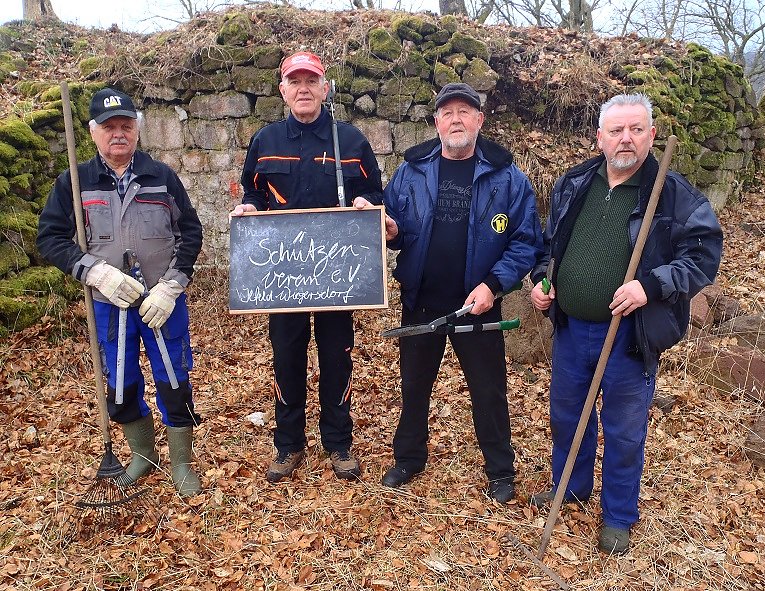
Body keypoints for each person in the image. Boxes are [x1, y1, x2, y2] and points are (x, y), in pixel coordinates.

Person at [529, 93, 723, 553]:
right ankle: (570, 488)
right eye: (616, 130)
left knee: (623, 428)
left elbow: (702, 256)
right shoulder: (574, 183)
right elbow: (549, 245)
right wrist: (541, 280)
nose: (626, 138)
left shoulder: (671, 194)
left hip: (629, 335)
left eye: (636, 129)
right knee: (567, 417)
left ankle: (618, 516)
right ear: (600, 137)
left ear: (651, 135)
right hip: (571, 329)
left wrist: (649, 286)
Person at [381, 82, 544, 503]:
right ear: (436, 123)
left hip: (478, 305)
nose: (456, 119)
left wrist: (493, 285)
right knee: (414, 385)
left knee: (488, 390)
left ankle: (500, 470)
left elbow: (526, 241)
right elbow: (392, 226)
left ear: (479, 120)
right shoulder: (411, 172)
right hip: (421, 300)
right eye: (448, 113)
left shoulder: (507, 178)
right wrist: (391, 231)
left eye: (465, 112)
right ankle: (409, 458)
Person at [37, 88, 204, 496]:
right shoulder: (75, 182)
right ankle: (143, 456)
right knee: (121, 382)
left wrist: (173, 284)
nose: (118, 134)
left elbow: (190, 233)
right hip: (109, 305)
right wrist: (95, 272)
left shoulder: (161, 177)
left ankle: (182, 462)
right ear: (93, 132)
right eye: (109, 127)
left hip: (162, 302)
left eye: (126, 126)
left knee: (174, 378)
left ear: (137, 130)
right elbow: (51, 238)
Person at [232, 51, 383, 482]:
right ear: (282, 90)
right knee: (286, 358)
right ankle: (288, 444)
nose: (303, 89)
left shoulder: (350, 141)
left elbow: (375, 192)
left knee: (337, 358)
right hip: (282, 276)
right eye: (294, 81)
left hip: (336, 274)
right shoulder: (265, 141)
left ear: (324, 88)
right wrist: (249, 208)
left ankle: (338, 442)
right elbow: (253, 192)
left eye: (311, 81)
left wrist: (365, 203)